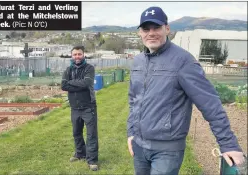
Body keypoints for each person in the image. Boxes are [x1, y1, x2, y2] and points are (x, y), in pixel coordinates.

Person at [127, 6, 245, 175]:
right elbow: (134, 99)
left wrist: (229, 144)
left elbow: (210, 104)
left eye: (156, 27)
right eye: (146, 28)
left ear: (167, 29)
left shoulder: (183, 61)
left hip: (167, 150)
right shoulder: (138, 62)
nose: (151, 33)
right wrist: (131, 132)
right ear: (140, 32)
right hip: (139, 146)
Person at [61, 45, 99, 171]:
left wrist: (70, 83)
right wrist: (77, 84)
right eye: (75, 54)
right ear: (71, 56)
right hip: (75, 108)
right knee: (76, 133)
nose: (77, 56)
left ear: (84, 55)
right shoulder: (68, 70)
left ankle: (92, 160)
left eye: (79, 54)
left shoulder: (89, 68)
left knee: (91, 134)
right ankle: (80, 153)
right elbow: (63, 85)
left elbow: (87, 83)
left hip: (88, 106)